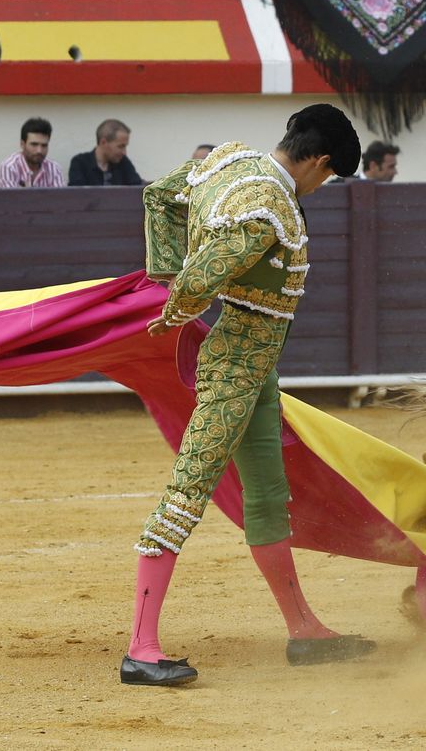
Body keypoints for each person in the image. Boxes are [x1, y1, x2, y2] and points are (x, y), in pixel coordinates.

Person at [126, 104, 371, 687]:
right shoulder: (271, 209)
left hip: (256, 373)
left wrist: (161, 278)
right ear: (319, 160)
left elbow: (158, 196)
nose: (321, 186)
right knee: (187, 492)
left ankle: (304, 629)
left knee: (266, 496)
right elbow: (207, 271)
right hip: (236, 367)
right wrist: (175, 308)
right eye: (328, 176)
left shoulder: (229, 161)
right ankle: (141, 647)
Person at [0, 117, 67, 187]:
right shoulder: (9, 167)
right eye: (34, 144)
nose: (39, 150)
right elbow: (10, 198)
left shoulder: (54, 168)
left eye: (44, 145)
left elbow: (60, 198)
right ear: (22, 144)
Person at [69, 119, 143, 186]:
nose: (124, 152)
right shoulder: (80, 163)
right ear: (103, 142)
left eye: (125, 146)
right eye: (120, 146)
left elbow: (137, 188)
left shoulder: (123, 162)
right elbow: (77, 196)